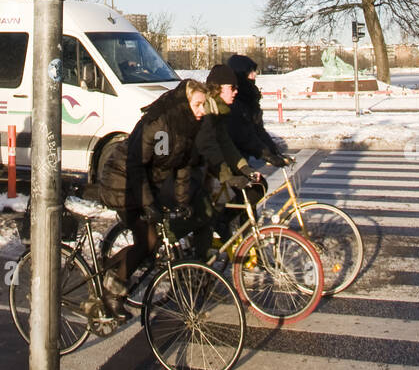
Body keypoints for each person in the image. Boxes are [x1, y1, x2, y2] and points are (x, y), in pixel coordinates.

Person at [98, 79, 209, 316]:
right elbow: (138, 164)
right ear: (185, 103)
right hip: (123, 181)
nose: (202, 111)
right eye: (198, 105)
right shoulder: (161, 124)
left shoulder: (188, 126)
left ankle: (110, 271)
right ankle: (112, 290)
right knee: (147, 241)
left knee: (152, 241)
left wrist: (182, 202)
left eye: (204, 105)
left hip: (143, 184)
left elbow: (182, 167)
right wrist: (149, 205)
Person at [194, 64, 266, 245]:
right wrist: (228, 177)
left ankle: (221, 224)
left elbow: (226, 144)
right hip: (193, 167)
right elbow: (208, 147)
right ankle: (194, 266)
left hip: (207, 166)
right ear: (218, 88)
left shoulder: (220, 110)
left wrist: (244, 168)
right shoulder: (207, 110)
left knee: (257, 186)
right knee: (202, 217)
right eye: (232, 88)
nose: (235, 92)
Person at [226, 54, 287, 168]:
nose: (254, 75)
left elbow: (258, 129)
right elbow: (244, 135)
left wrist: (274, 152)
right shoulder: (234, 99)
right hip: (231, 158)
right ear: (240, 74)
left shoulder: (250, 97)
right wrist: (267, 155)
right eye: (250, 72)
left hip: (242, 157)